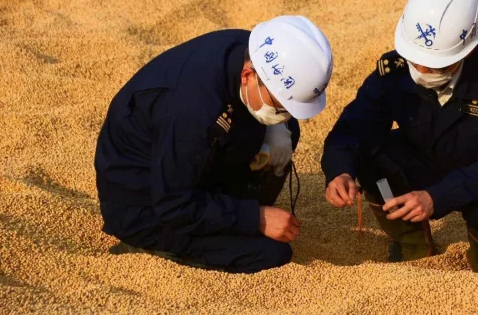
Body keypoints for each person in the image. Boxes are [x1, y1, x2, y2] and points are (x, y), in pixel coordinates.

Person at [321, 0, 478, 273]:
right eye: (415, 58)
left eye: (435, 63)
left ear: (467, 49)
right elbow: (355, 128)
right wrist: (339, 170)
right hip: (431, 155)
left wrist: (436, 197)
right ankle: (412, 243)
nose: (421, 68)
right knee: (372, 164)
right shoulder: (395, 68)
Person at [95, 15, 333, 273]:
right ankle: (147, 246)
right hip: (145, 205)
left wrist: (277, 129)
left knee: (285, 132)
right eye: (281, 104)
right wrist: (256, 218)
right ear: (248, 75)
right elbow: (174, 204)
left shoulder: (252, 50)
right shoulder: (191, 111)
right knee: (271, 253)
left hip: (184, 162)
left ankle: (231, 213)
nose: (284, 112)